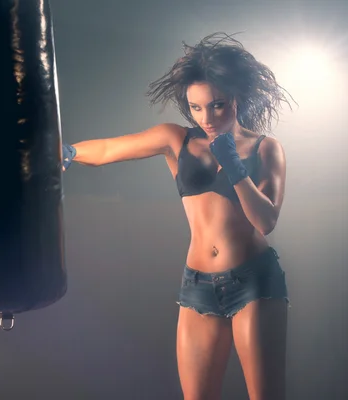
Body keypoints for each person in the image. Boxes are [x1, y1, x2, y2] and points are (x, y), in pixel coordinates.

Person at [61, 33, 294, 400]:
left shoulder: (266, 148)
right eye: (197, 107)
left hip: (254, 281)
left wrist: (233, 162)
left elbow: (266, 221)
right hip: (198, 285)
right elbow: (109, 149)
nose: (208, 118)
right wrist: (67, 152)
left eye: (218, 105)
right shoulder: (176, 139)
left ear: (237, 97)